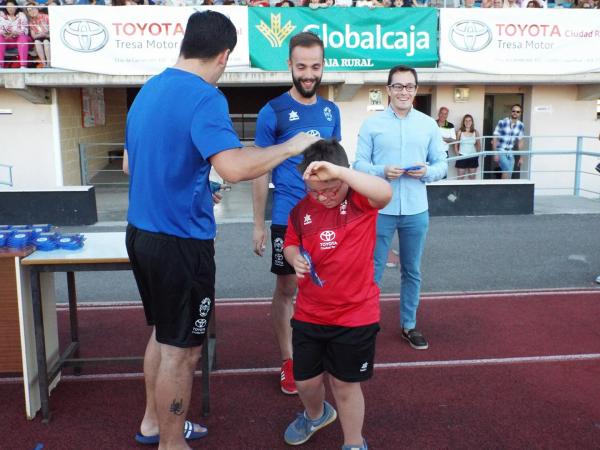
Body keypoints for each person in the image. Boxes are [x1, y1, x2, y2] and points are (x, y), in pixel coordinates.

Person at [124, 11, 317, 450]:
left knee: (162, 333)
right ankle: (172, 444)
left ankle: (154, 423)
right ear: (224, 55)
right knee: (182, 350)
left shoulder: (148, 90)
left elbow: (130, 164)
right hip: (180, 243)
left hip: (141, 234)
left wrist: (188, 180)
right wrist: (289, 145)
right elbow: (231, 166)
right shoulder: (204, 96)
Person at [282, 139, 392, 450]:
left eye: (331, 188)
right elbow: (290, 243)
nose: (323, 197)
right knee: (305, 381)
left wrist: (342, 172)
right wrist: (293, 258)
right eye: (315, 190)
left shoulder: (360, 200)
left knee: (344, 384)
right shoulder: (301, 211)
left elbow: (385, 192)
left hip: (355, 315)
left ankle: (354, 443)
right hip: (309, 314)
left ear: (344, 177)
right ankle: (316, 415)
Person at [251, 31, 341, 395]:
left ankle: (321, 354)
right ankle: (289, 362)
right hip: (287, 216)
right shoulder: (271, 111)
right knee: (288, 287)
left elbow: (338, 166)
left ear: (323, 66)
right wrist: (257, 223)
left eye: (315, 66)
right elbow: (258, 168)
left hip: (325, 217)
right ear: (289, 64)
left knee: (323, 288)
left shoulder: (331, 111)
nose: (308, 74)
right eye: (301, 66)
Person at [354, 65, 447, 351]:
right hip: (380, 209)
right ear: (388, 89)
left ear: (416, 90)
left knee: (412, 270)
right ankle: (364, 325)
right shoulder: (372, 124)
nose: (403, 91)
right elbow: (357, 165)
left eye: (409, 86)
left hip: (416, 209)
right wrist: (382, 171)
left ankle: (409, 325)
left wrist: (427, 171)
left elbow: (442, 165)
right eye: (398, 86)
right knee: (372, 270)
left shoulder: (428, 125)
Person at [492, 104, 525, 179]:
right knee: (506, 169)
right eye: (513, 111)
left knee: (509, 172)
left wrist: (521, 157)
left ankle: (504, 188)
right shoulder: (502, 122)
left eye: (518, 111)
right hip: (500, 150)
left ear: (520, 113)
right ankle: (503, 189)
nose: (515, 113)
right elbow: (494, 138)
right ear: (511, 112)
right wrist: (495, 153)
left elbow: (520, 142)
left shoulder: (521, 125)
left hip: (510, 152)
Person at [0, 1, 31, 69]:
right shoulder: (2, 15)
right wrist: (4, 33)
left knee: (23, 37)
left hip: (19, 38)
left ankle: (23, 65)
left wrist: (15, 32)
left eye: (12, 6)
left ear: (16, 7)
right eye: (8, 7)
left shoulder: (21, 15)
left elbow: (25, 30)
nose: (10, 8)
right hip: (7, 39)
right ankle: (0, 65)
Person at [454, 114, 481, 180]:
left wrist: (477, 155)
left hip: (473, 156)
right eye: (466, 120)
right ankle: (459, 191)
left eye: (469, 120)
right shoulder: (460, 131)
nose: (468, 122)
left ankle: (471, 190)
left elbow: (479, 145)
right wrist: (458, 155)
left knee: (472, 178)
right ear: (463, 122)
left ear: (472, 122)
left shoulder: (475, 132)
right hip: (462, 156)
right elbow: (456, 145)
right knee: (460, 178)